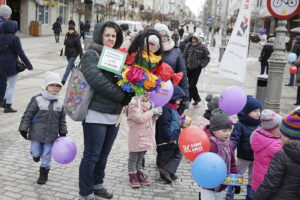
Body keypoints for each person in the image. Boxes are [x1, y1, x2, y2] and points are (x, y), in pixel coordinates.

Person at [78, 21, 128, 200]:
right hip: (95, 113)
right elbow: (97, 80)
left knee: (104, 155)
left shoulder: (118, 56)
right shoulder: (91, 54)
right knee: (92, 155)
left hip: (114, 115)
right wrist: (122, 96)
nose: (110, 39)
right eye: (107, 35)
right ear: (100, 35)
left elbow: (123, 82)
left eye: (114, 36)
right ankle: (85, 193)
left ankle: (97, 185)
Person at [19, 71, 67, 185]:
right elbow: (28, 115)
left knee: (46, 154)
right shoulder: (37, 100)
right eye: (52, 85)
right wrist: (23, 128)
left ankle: (44, 173)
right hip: (36, 133)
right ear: (46, 86)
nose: (55, 88)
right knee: (36, 152)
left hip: (51, 135)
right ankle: (35, 156)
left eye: (58, 86)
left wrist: (63, 131)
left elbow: (62, 120)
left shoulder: (60, 104)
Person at [254, 108, 300, 200]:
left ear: (288, 137)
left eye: (282, 134)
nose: (280, 137)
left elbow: (270, 184)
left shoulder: (282, 155)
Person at [226, 95, 262, 200]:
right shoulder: (240, 124)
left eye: (259, 110)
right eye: (255, 111)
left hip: (256, 157)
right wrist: (231, 148)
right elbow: (234, 138)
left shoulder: (260, 123)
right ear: (246, 112)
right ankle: (230, 192)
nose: (258, 113)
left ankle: (250, 195)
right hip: (243, 157)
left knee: (253, 177)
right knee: (237, 175)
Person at [202, 108, 238, 200]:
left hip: (222, 185)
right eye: (224, 131)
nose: (228, 134)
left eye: (230, 130)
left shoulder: (229, 145)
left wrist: (235, 181)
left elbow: (232, 164)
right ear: (214, 131)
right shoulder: (209, 145)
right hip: (208, 185)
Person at [126, 95, 162, 188]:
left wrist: (156, 114)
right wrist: (152, 112)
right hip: (136, 137)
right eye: (145, 93)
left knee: (141, 157)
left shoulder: (149, 106)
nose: (147, 96)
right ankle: (132, 176)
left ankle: (139, 174)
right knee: (133, 157)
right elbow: (139, 119)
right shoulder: (133, 106)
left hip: (146, 136)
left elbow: (150, 119)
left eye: (148, 94)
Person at [154, 23, 189, 115]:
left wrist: (185, 97)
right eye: (159, 35)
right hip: (151, 92)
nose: (162, 38)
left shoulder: (176, 51)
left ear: (168, 36)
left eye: (164, 35)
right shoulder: (149, 50)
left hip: (169, 93)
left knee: (166, 122)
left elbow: (183, 74)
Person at [0, 20, 33, 113]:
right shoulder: (15, 38)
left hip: (1, 65)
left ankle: (2, 101)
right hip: (11, 65)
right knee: (11, 86)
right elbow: (20, 53)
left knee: (2, 84)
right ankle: (8, 106)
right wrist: (28, 65)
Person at [156, 86, 186, 184]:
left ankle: (168, 171)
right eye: (179, 99)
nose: (180, 101)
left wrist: (181, 121)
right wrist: (169, 138)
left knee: (177, 153)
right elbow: (165, 125)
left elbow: (173, 121)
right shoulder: (167, 108)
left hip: (174, 136)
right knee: (167, 156)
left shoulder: (172, 108)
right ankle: (165, 172)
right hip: (169, 138)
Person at [251, 110, 283, 192]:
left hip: (258, 180)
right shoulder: (274, 144)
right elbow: (283, 160)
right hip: (269, 182)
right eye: (280, 127)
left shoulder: (257, 135)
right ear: (273, 129)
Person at [183, 33, 210, 106]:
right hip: (188, 68)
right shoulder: (188, 45)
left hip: (196, 69)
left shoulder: (202, 47)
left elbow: (207, 57)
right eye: (192, 38)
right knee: (191, 85)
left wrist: (201, 65)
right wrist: (184, 64)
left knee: (192, 85)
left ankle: (188, 100)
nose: (193, 40)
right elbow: (184, 56)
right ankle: (197, 98)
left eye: (195, 39)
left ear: (197, 39)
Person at [291, 36, 300, 105]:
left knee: (299, 88)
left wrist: (293, 62)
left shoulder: (296, 46)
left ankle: (298, 101)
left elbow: (297, 62)